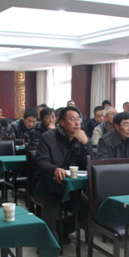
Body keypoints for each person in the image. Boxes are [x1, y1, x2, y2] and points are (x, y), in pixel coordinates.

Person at [34, 106, 91, 247]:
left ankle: (62, 229)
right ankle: (48, 246)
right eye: (72, 119)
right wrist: (54, 169)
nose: (77, 123)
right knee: (51, 208)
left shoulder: (81, 139)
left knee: (88, 209)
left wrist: (86, 144)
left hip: (71, 189)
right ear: (62, 122)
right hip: (49, 187)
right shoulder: (48, 137)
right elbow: (40, 162)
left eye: (79, 119)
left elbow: (90, 165)